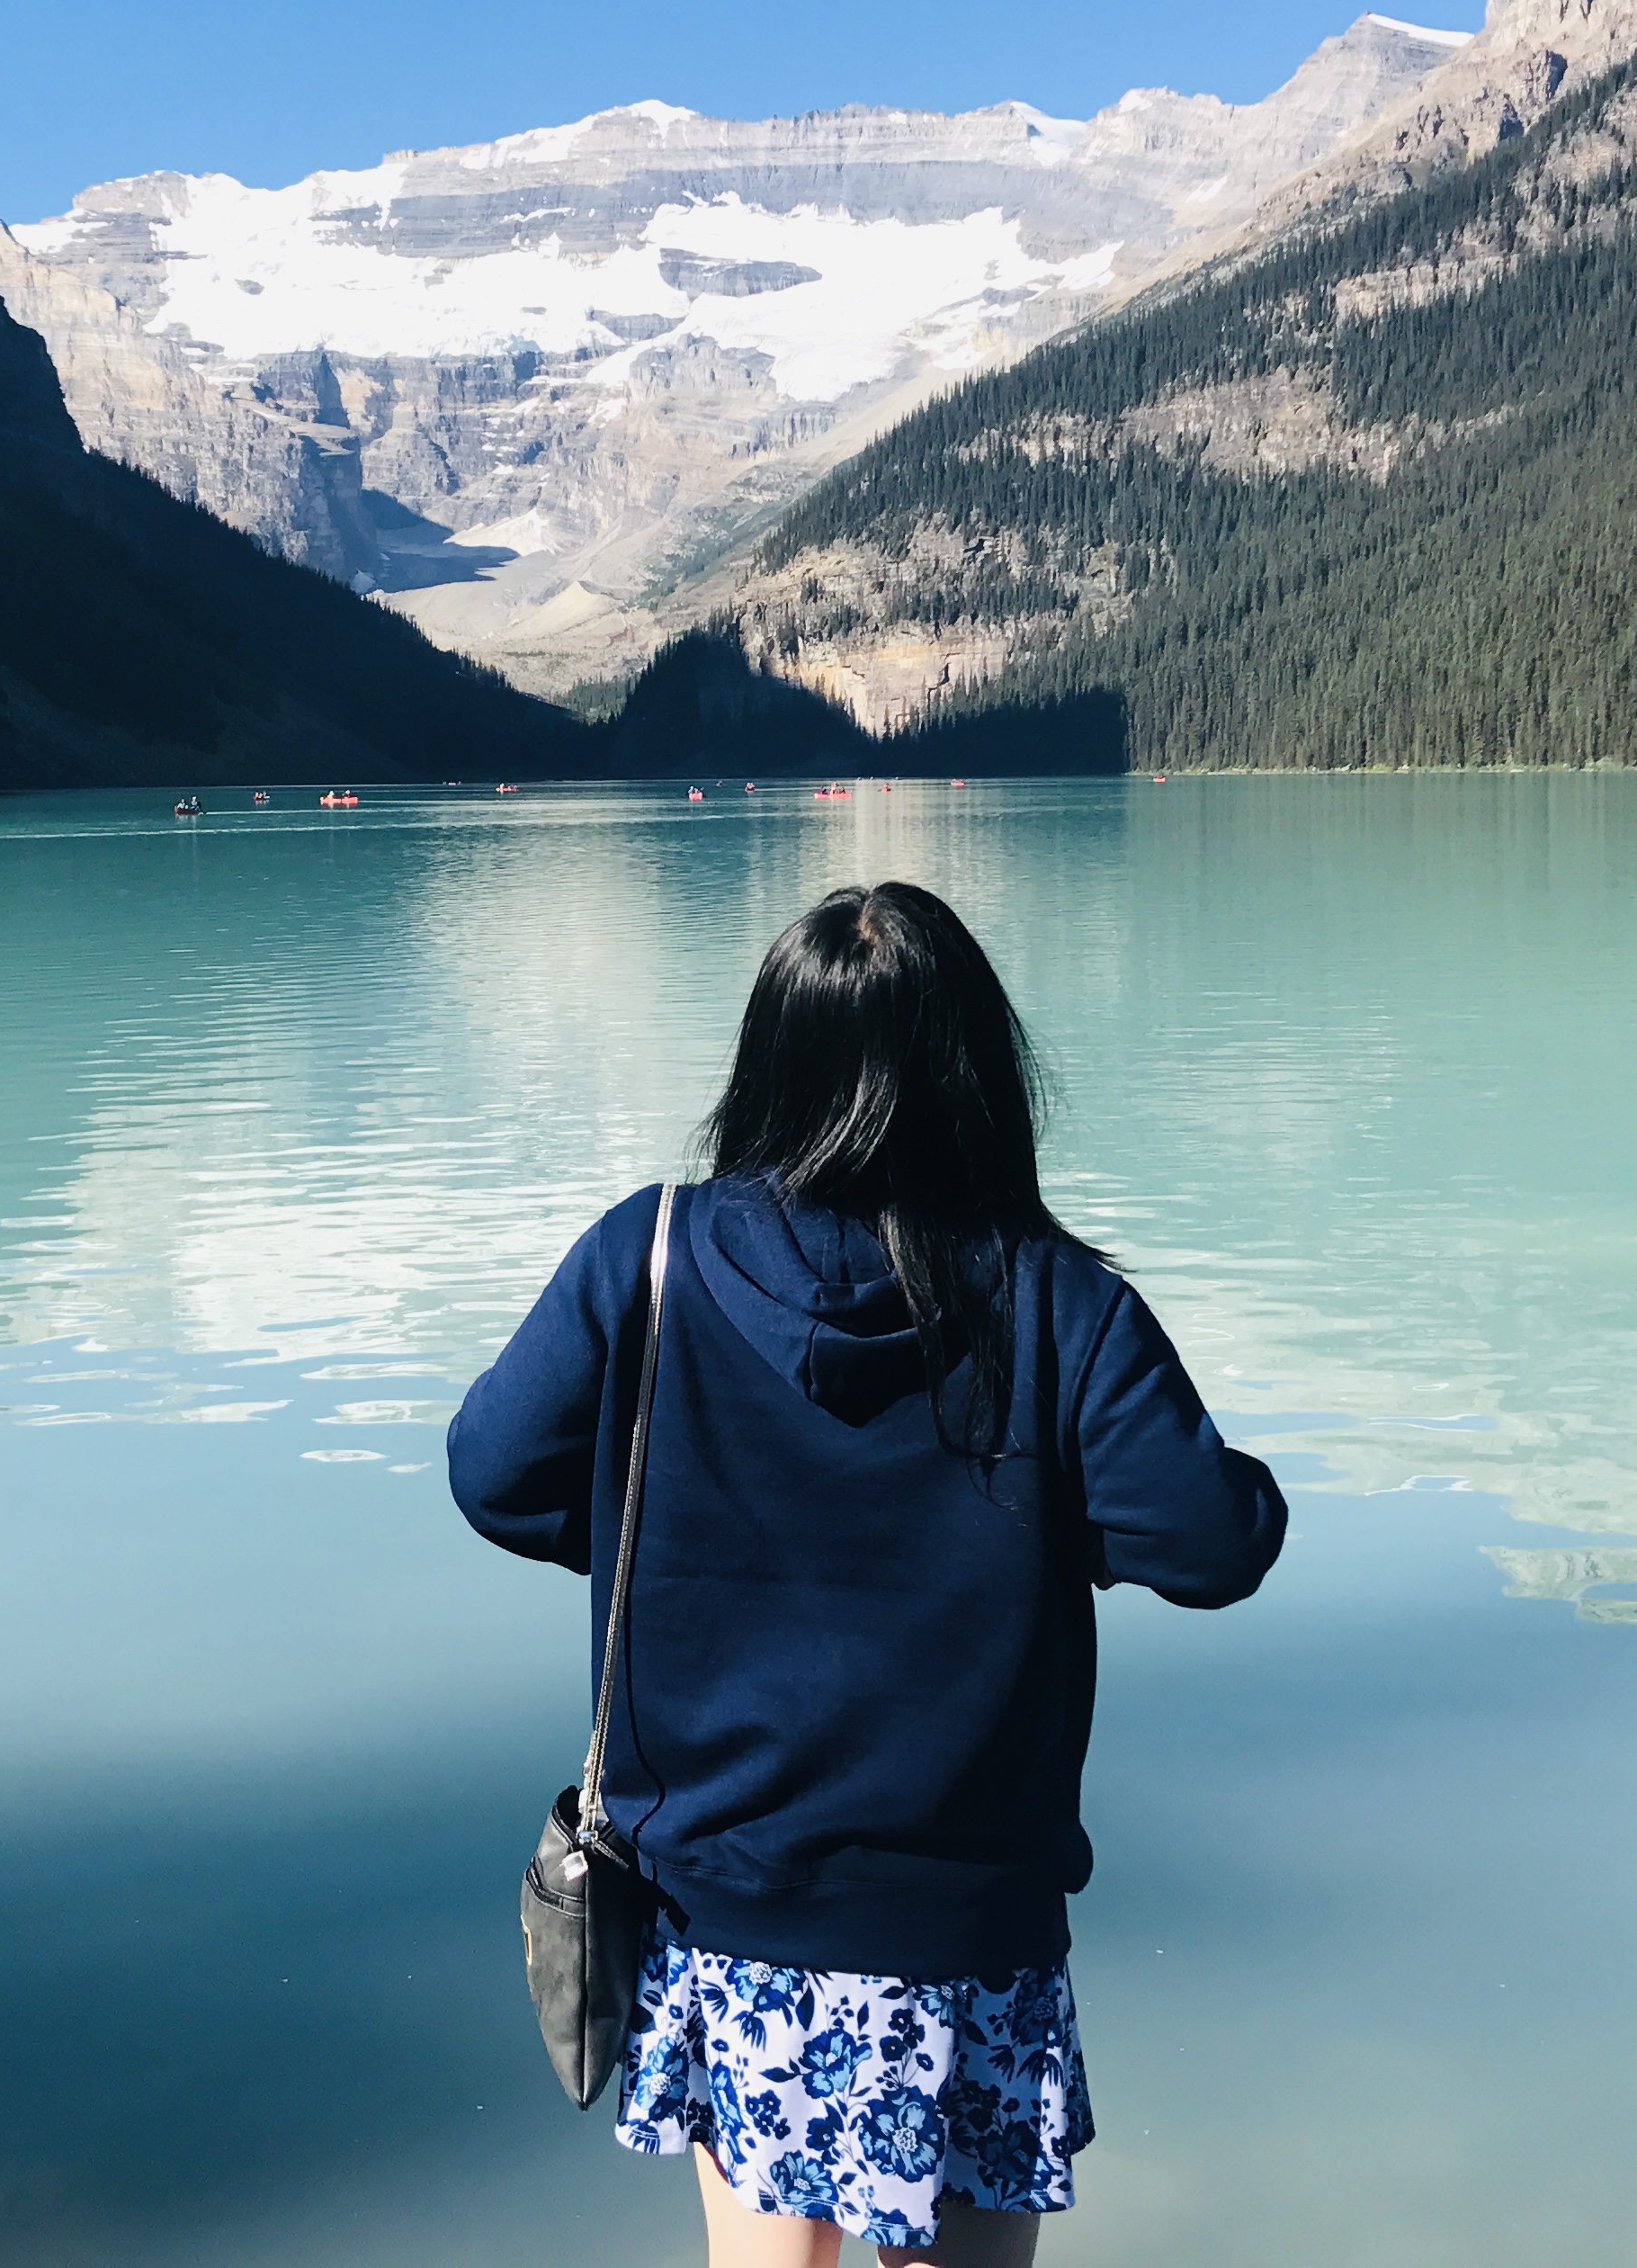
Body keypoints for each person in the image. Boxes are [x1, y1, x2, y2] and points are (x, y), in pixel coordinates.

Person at [450, 883, 1284, 2267]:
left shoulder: (644, 1260)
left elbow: (494, 1476)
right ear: (978, 1074)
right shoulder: (1058, 1301)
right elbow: (1213, 1543)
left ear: (767, 1064)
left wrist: (683, 1541)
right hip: (970, 1930)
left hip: (727, 1905)